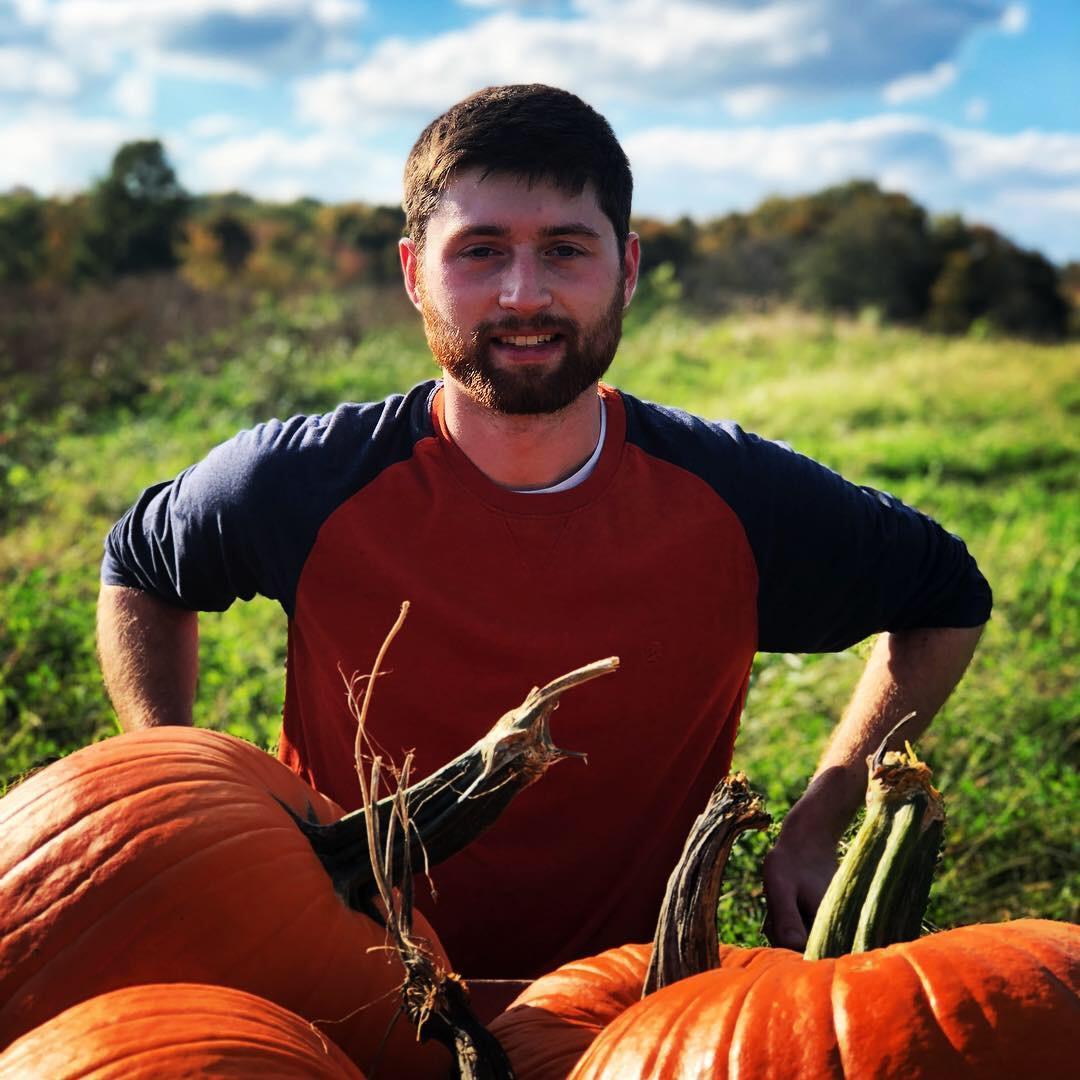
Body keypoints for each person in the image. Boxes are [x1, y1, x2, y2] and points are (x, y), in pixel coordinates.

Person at [98, 84, 990, 1010]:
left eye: (566, 249)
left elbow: (946, 594)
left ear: (628, 268)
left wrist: (818, 822)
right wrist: (182, 798)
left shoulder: (738, 498)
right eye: (480, 252)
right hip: (345, 989)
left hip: (629, 1012)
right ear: (414, 274)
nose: (524, 295)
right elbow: (140, 566)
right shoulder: (306, 482)